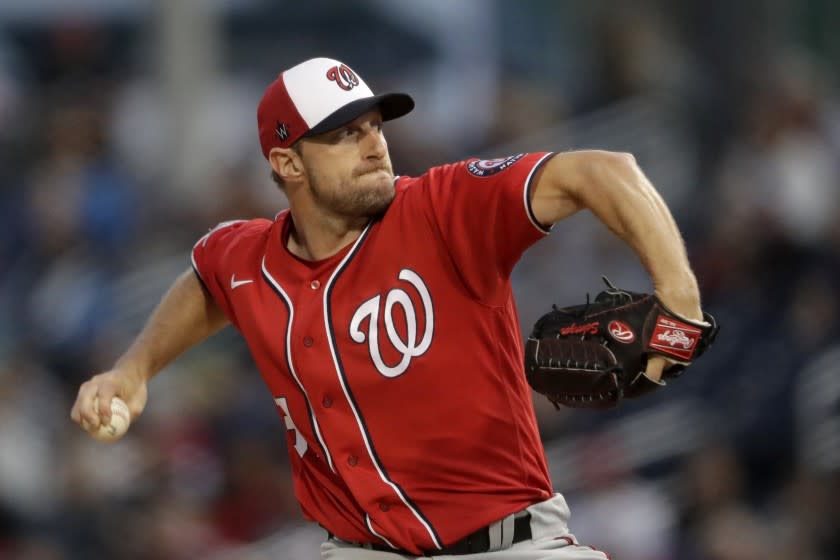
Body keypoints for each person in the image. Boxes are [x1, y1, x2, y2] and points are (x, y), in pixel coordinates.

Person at [71, 57, 706, 559]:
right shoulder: (248, 260)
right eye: (345, 134)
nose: (374, 145)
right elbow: (208, 281)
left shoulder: (441, 208)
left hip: (511, 547)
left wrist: (679, 296)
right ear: (286, 162)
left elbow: (602, 170)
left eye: (375, 125)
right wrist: (134, 369)